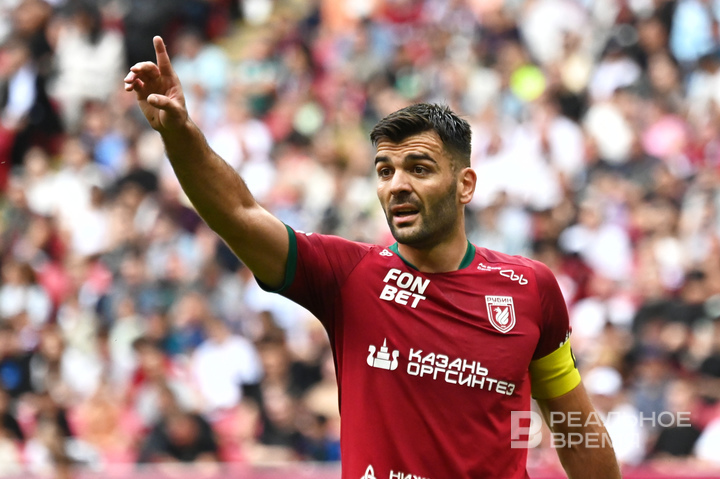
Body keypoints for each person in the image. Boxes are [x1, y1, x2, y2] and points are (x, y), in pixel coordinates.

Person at [124, 36, 622, 479]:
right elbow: (237, 213)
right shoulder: (348, 275)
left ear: (464, 185)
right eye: (385, 171)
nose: (397, 185)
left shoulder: (529, 289)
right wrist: (180, 134)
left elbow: (575, 428)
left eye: (419, 168)